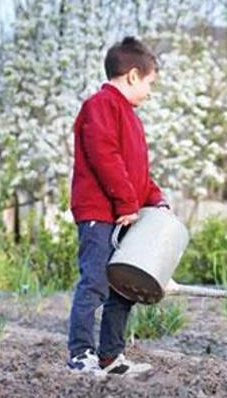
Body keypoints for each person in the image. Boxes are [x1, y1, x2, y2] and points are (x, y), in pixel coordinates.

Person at [67, 36, 169, 375]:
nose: (150, 92)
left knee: (124, 287)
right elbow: (104, 157)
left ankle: (110, 356)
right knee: (95, 282)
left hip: (123, 215)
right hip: (100, 214)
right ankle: (81, 354)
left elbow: (136, 172)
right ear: (133, 75)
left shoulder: (130, 116)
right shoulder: (100, 105)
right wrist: (126, 201)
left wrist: (155, 199)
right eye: (150, 83)